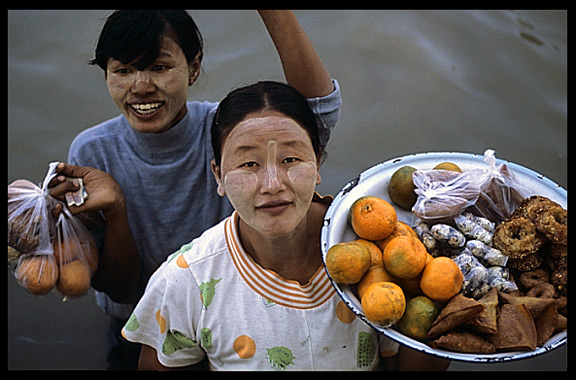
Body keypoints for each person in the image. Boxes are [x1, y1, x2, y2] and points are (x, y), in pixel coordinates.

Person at [48, 10, 341, 369]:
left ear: (194, 67)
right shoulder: (92, 152)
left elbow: (313, 115)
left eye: (159, 67)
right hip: (140, 328)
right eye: (123, 70)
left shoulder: (228, 134)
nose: (140, 86)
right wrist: (116, 210)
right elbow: (120, 292)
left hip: (236, 313)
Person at [122, 81, 450, 370]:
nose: (272, 184)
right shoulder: (187, 281)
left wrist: (449, 310)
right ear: (218, 175)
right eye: (249, 163)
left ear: (318, 162)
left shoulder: (381, 248)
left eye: (290, 160)